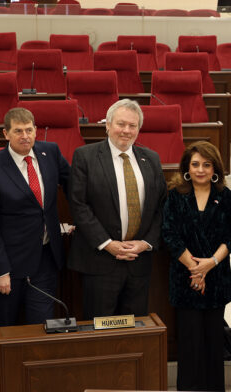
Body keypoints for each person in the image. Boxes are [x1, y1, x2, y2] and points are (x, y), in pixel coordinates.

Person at [68, 99, 167, 319]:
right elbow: (78, 205)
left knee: (134, 328)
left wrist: (145, 243)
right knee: (100, 329)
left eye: (133, 126)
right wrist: (107, 244)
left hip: (138, 262)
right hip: (100, 261)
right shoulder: (85, 156)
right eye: (121, 124)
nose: (126, 130)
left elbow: (161, 208)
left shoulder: (151, 159)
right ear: (107, 125)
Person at [0, 107, 71, 326]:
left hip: (46, 258)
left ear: (36, 130)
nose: (25, 136)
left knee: (42, 326)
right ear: (5, 134)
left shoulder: (51, 152)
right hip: (11, 265)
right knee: (6, 328)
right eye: (18, 131)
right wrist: (0, 270)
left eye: (29, 130)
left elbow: (73, 186)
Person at [162, 141, 231, 391]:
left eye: (206, 164)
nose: (200, 169)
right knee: (189, 345)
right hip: (185, 279)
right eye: (195, 164)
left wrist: (210, 264)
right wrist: (195, 268)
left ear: (215, 168)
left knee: (214, 344)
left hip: (216, 279)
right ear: (186, 167)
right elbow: (169, 234)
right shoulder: (175, 195)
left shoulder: (225, 196)